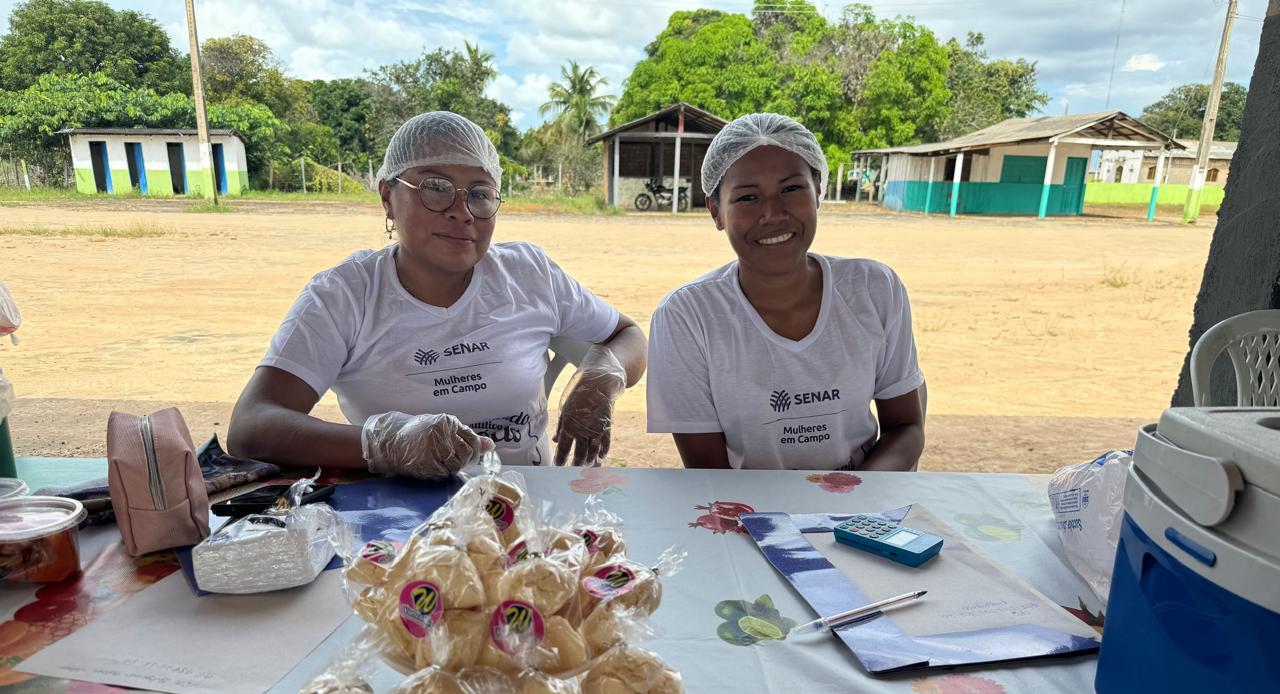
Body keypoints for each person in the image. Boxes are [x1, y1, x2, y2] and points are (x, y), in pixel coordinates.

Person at [228, 111, 646, 476]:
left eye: (480, 194)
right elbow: (252, 427)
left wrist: (600, 379)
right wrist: (382, 445)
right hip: (396, 516)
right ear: (388, 197)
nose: (460, 211)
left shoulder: (528, 274)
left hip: (526, 506)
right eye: (435, 187)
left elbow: (628, 335)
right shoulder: (345, 295)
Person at [646, 113, 925, 471]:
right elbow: (708, 474)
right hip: (751, 517)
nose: (773, 213)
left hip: (859, 512)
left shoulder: (874, 289)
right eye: (747, 197)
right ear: (716, 211)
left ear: (818, 191)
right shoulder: (687, 317)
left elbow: (906, 428)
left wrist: (852, 503)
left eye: (791, 189)